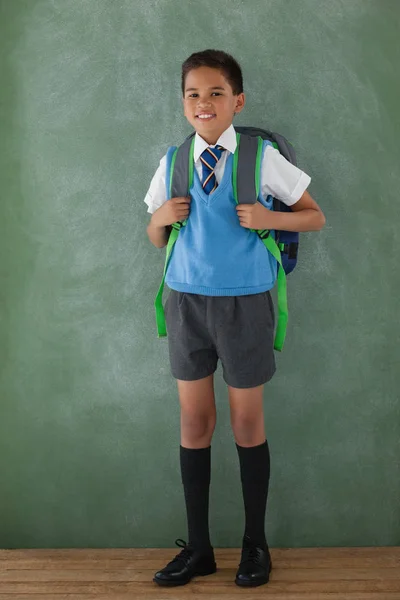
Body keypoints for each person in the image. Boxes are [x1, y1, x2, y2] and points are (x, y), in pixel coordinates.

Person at [144, 49, 325, 588]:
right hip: (185, 304)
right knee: (195, 423)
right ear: (183, 104)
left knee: (247, 423)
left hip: (245, 303)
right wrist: (159, 219)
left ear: (237, 101)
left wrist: (270, 216)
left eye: (216, 93)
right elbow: (157, 238)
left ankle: (255, 545)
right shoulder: (173, 160)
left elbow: (315, 215)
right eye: (194, 94)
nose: (204, 103)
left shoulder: (259, 156)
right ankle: (199, 549)